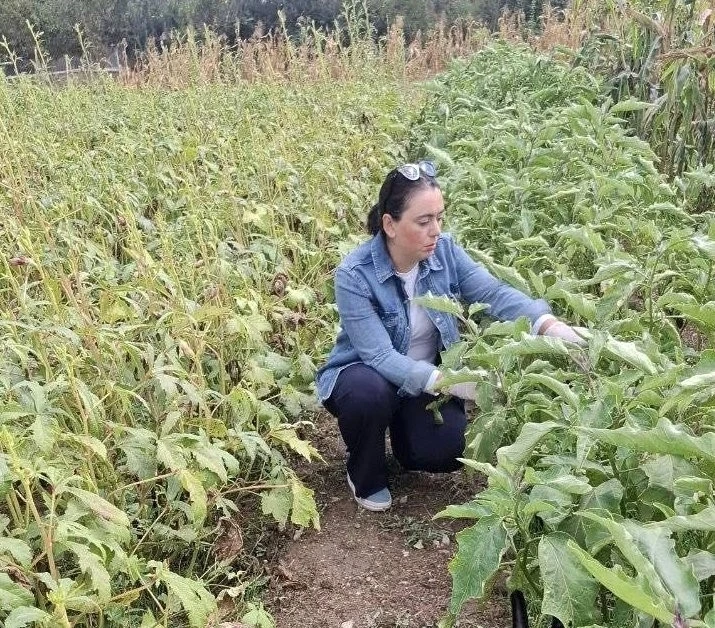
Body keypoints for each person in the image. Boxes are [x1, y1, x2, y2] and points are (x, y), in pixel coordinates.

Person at [315, 161, 583, 511]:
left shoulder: (445, 251)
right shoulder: (354, 274)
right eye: (424, 222)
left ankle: (403, 431)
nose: (435, 231)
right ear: (390, 225)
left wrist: (547, 324)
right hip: (366, 374)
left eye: (439, 218)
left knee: (444, 451)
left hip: (422, 381)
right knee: (368, 396)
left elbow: (493, 293)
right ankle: (364, 469)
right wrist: (451, 382)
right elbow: (379, 355)